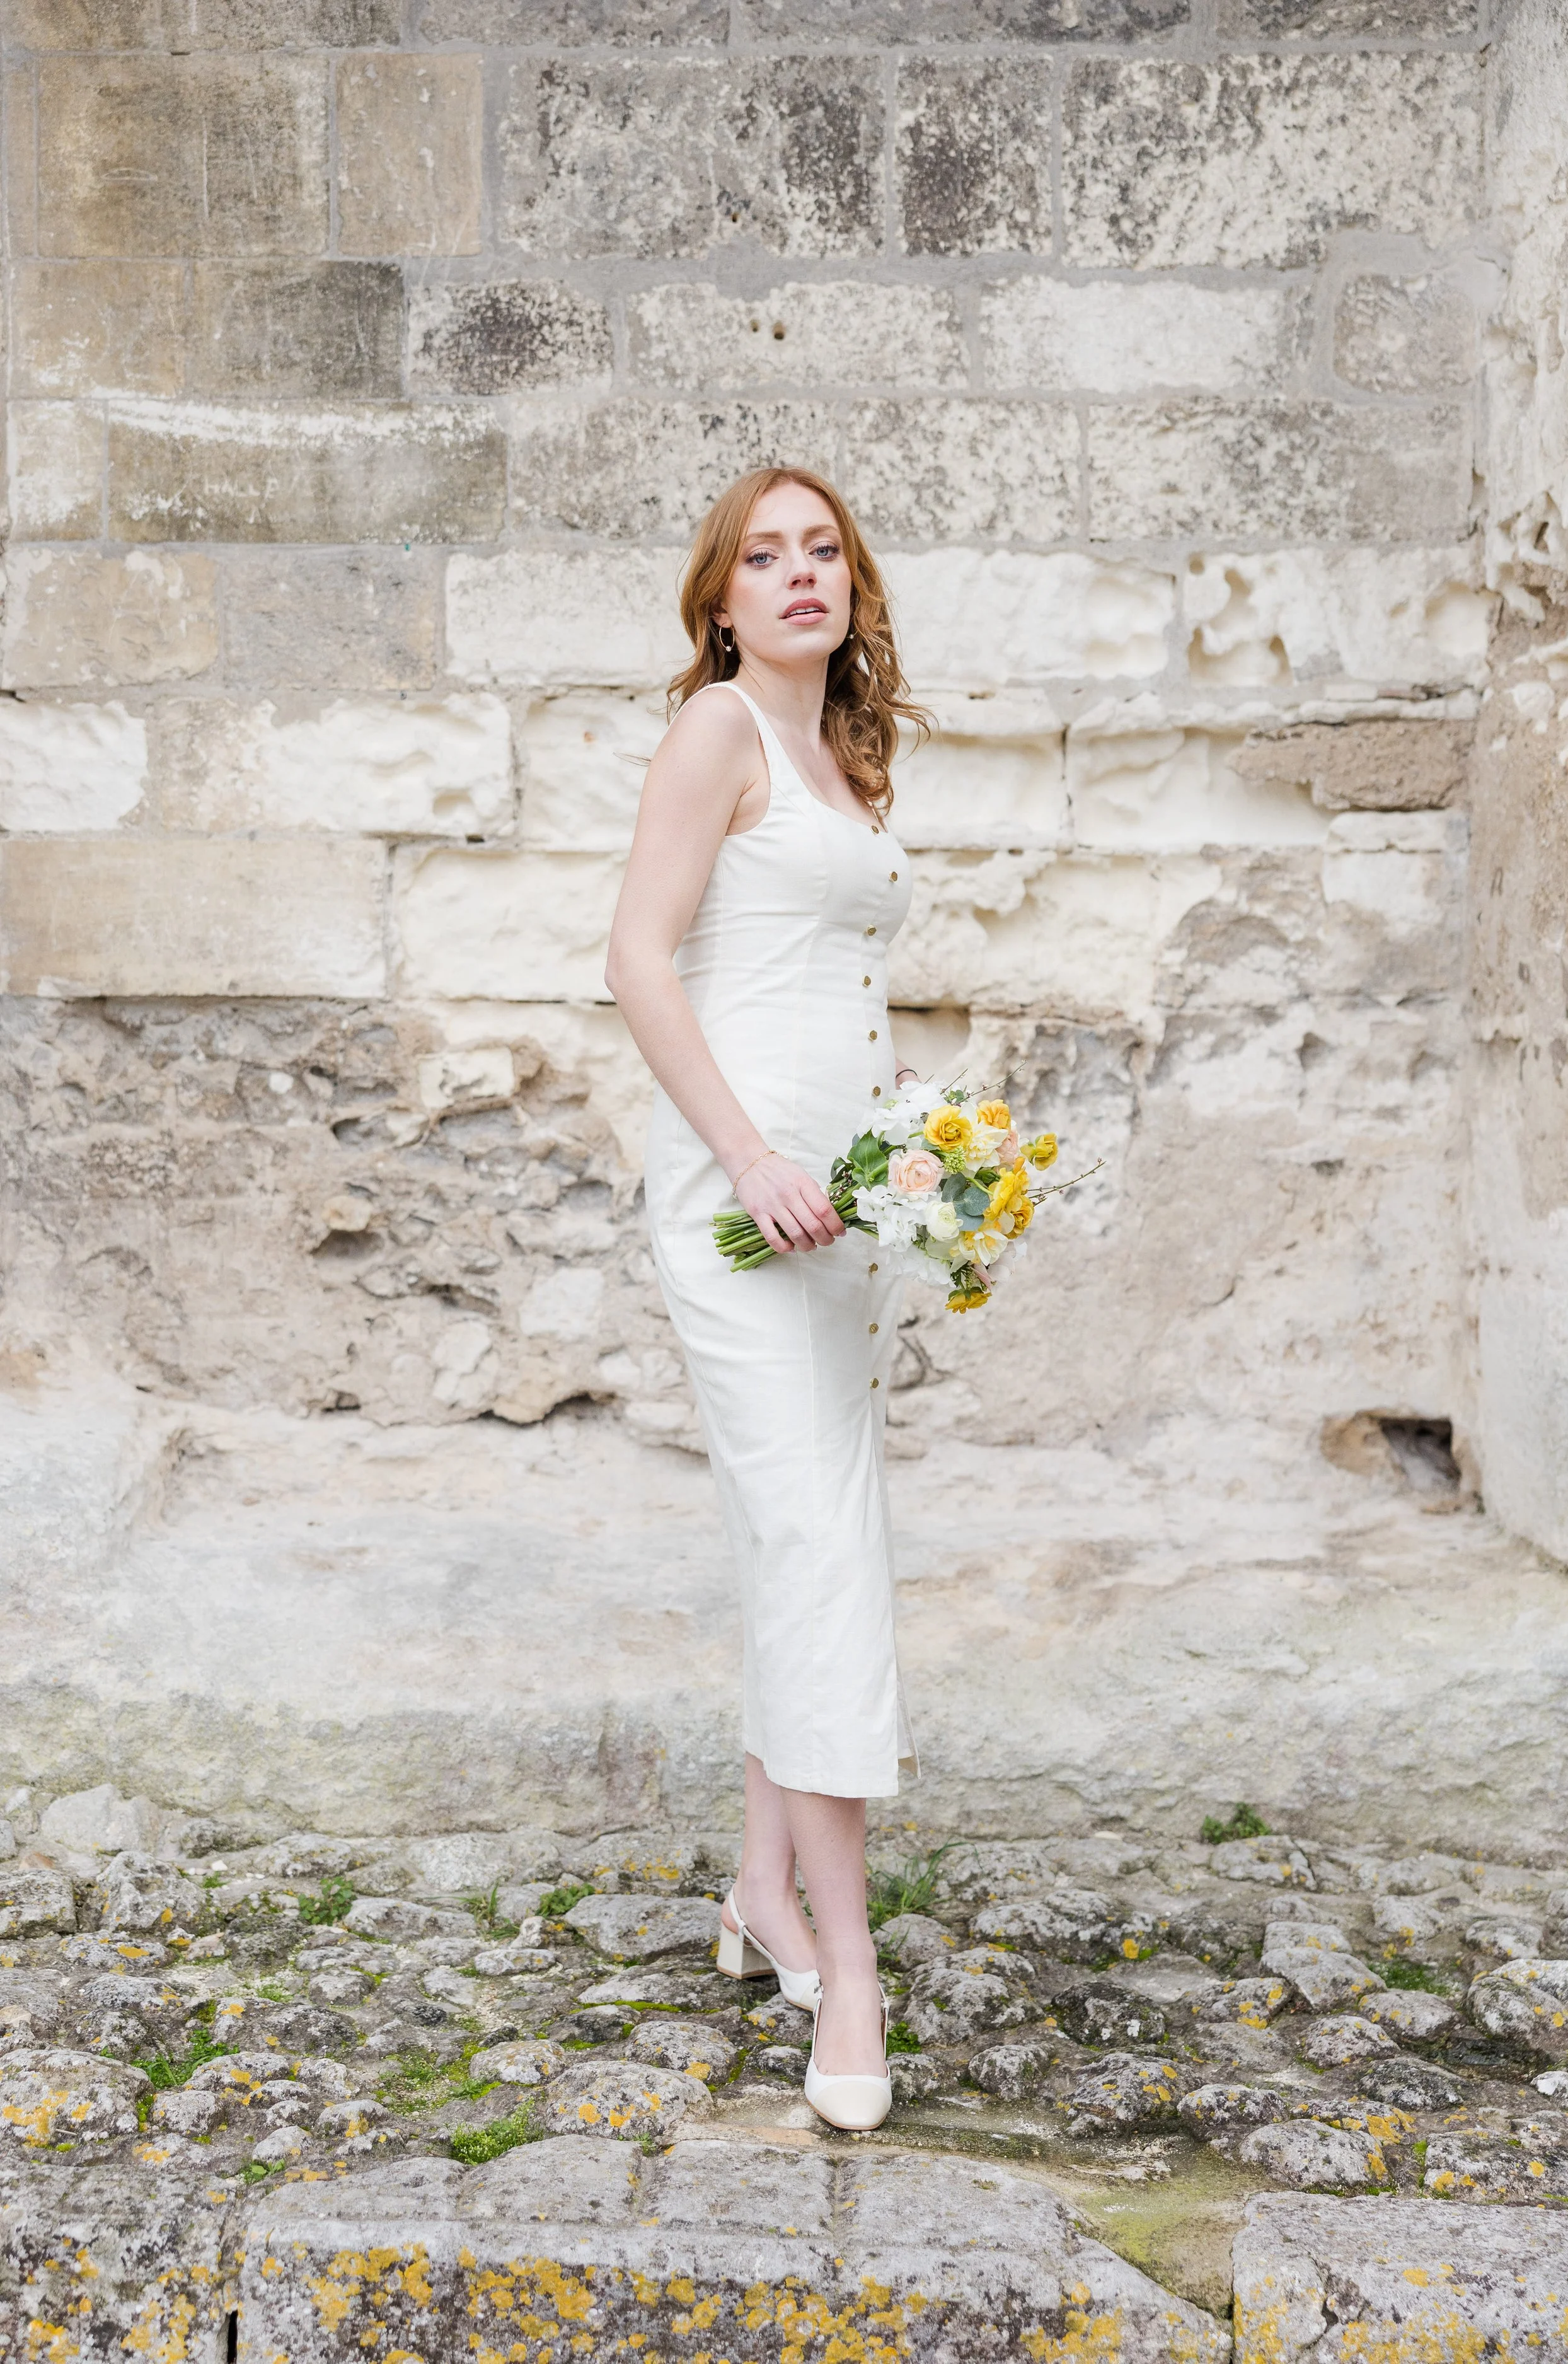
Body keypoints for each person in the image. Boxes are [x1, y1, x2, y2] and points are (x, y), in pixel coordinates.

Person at [604, 465, 928, 2131]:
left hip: (840, 1217)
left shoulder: (840, 758)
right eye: (761, 555)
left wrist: (919, 1170)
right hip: (741, 1211)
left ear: (849, 589)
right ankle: (849, 1966)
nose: (795, 575)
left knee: (794, 1538)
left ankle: (757, 1885)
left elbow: (833, 989)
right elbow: (640, 961)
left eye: (822, 552)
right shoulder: (720, 733)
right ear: (720, 601)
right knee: (816, 1547)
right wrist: (745, 1161)